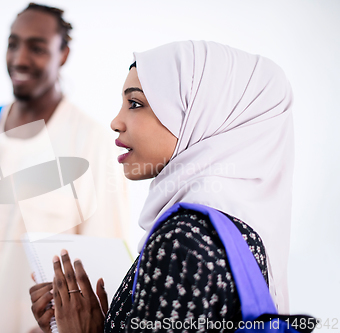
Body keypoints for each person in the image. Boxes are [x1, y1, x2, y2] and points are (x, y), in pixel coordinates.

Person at [29, 40, 295, 332]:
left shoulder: (182, 240)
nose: (116, 122)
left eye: (135, 104)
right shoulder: (238, 229)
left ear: (199, 112)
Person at [0, 3, 129, 333]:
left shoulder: (92, 143)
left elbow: (104, 273)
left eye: (37, 48)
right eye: (13, 44)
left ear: (63, 54)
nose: (19, 59)